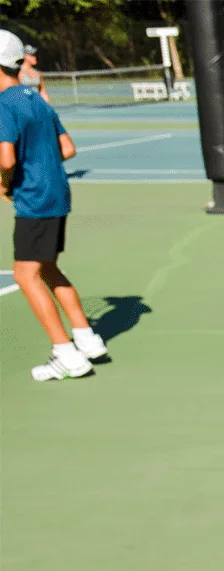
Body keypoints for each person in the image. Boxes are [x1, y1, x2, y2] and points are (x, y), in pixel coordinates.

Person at [0, 30, 108, 381]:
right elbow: (66, 149)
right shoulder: (36, 100)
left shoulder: (4, 104)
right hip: (57, 195)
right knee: (47, 267)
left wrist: (4, 184)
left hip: (34, 199)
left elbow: (5, 159)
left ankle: (67, 355)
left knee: (24, 274)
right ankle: (87, 339)